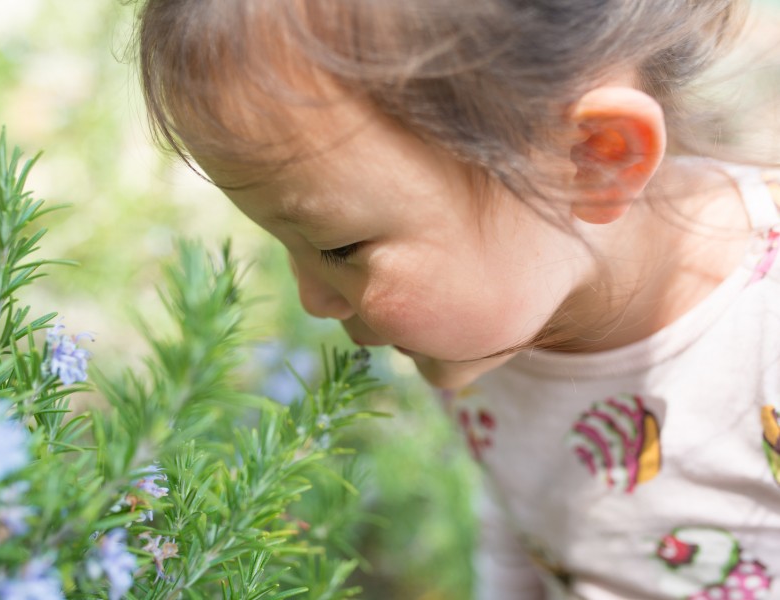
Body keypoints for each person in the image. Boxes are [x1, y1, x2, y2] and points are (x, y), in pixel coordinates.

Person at [135, 0, 780, 597]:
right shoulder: (494, 324)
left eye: (339, 247)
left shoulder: (762, 336)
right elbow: (525, 526)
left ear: (591, 158)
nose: (312, 300)